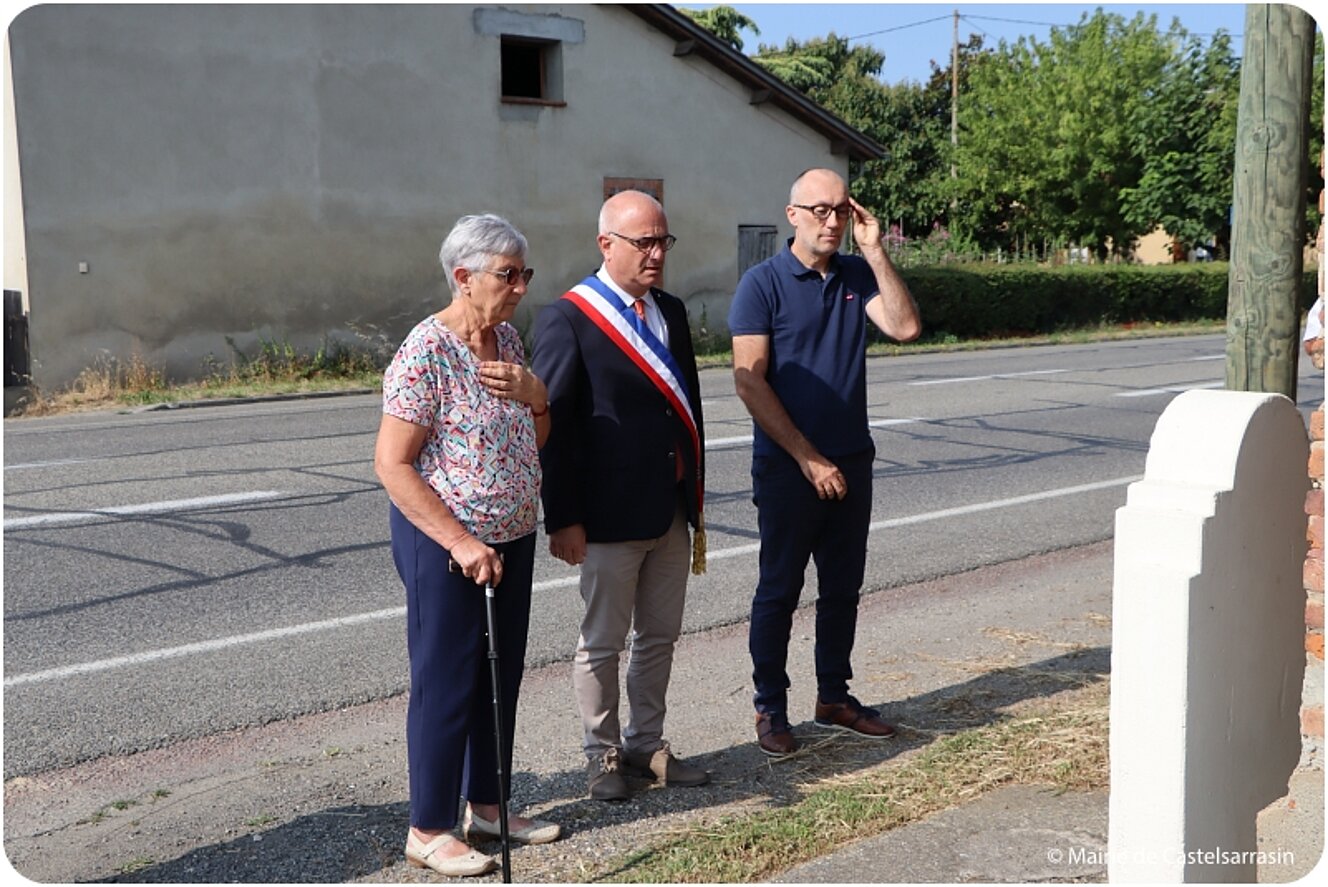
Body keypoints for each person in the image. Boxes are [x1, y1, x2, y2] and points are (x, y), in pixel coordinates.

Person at [374, 214, 561, 877]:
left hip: (511, 532)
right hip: (445, 542)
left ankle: (488, 803)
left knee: (498, 674)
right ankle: (428, 825)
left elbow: (526, 440)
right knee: (447, 680)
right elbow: (393, 464)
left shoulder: (507, 337)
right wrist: (459, 539)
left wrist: (538, 398)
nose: (520, 287)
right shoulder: (426, 350)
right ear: (463, 276)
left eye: (524, 274)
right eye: (508, 275)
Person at [728, 168, 922, 758]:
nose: (832, 221)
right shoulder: (761, 284)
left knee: (843, 589)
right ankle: (770, 708)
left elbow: (906, 327)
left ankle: (833, 698)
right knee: (779, 591)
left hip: (852, 461)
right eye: (819, 210)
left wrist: (876, 249)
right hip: (790, 468)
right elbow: (749, 384)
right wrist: (809, 459)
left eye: (841, 210)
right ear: (793, 215)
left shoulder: (857, 273)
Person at [532, 189, 710, 801]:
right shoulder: (569, 317)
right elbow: (552, 426)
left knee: (659, 636)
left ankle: (645, 744)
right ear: (606, 244)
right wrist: (564, 517)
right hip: (606, 517)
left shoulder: (672, 311)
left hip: (669, 508)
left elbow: (682, 409)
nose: (657, 254)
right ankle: (601, 754)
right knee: (602, 642)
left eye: (663, 241)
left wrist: (693, 495)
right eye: (644, 243)